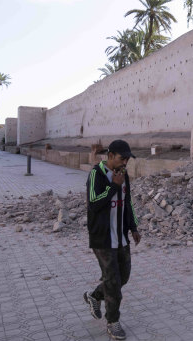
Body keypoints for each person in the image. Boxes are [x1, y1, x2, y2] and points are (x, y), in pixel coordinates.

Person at [83, 139, 141, 340]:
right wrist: (113, 187)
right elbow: (93, 204)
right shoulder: (96, 175)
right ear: (110, 156)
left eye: (127, 159)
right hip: (103, 239)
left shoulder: (123, 175)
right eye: (121, 158)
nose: (125, 162)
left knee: (122, 277)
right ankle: (113, 322)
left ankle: (94, 296)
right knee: (113, 282)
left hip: (121, 238)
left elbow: (128, 203)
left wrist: (133, 227)